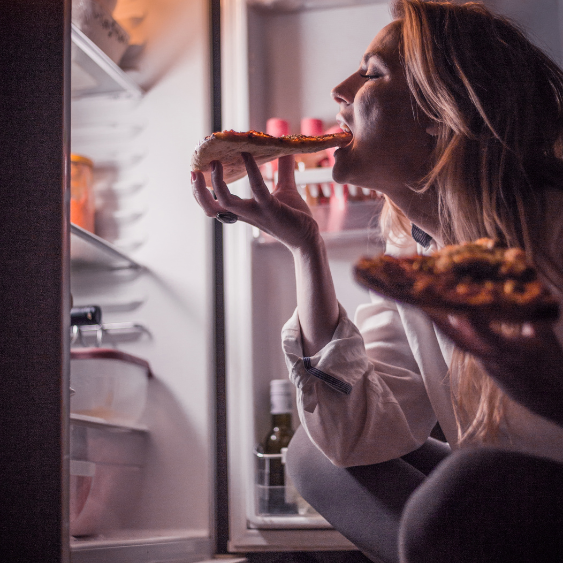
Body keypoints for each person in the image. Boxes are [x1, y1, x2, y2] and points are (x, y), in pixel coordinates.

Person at [192, 1, 563, 561]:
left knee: (469, 488)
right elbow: (360, 435)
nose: (341, 90)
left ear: (445, 109)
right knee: (312, 458)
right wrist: (305, 248)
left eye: (372, 74)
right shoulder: (414, 253)